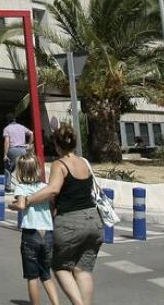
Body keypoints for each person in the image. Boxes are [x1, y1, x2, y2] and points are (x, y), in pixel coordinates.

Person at [11, 123, 101, 305]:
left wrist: (28, 200)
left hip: (71, 222)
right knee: (83, 270)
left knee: (60, 266)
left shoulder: (59, 165)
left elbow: (53, 189)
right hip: (94, 219)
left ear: (57, 145)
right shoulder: (84, 162)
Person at [11, 153, 61, 305]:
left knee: (32, 277)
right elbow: (53, 207)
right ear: (38, 169)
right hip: (47, 232)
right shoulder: (44, 187)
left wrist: (11, 205)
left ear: (20, 171)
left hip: (31, 233)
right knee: (46, 275)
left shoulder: (21, 187)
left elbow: (21, 205)